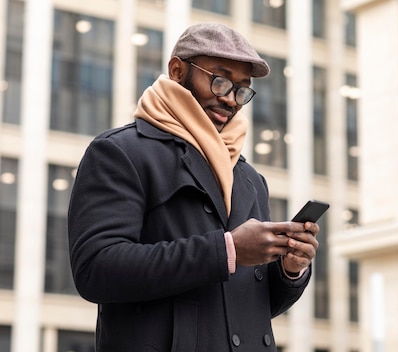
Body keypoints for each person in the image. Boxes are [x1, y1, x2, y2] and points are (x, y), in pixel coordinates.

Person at [68, 22, 320, 352]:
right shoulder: (121, 152)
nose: (231, 100)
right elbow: (96, 269)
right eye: (220, 80)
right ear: (177, 70)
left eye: (242, 90)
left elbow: (249, 308)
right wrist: (227, 250)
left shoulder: (250, 180)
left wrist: (290, 270)